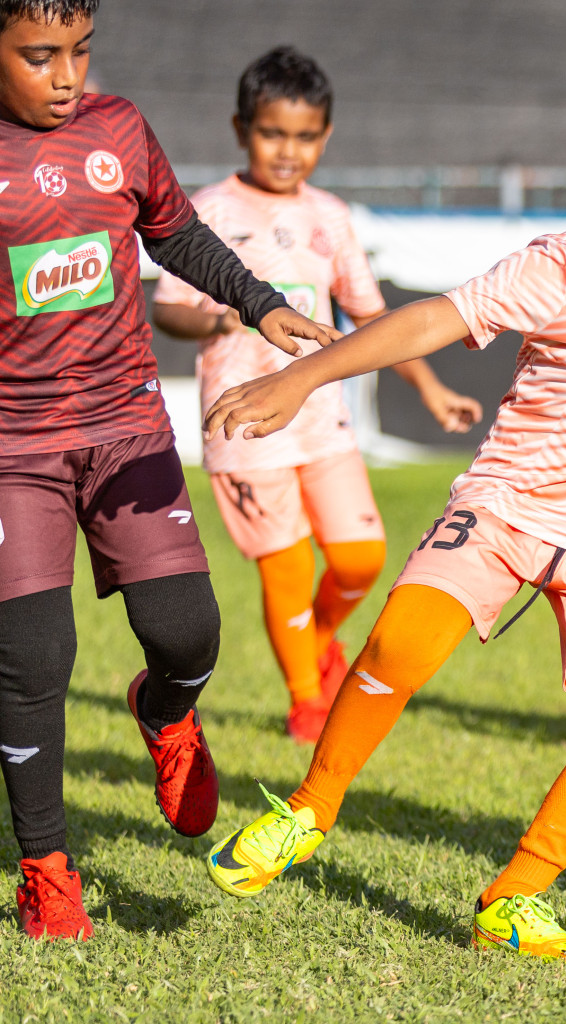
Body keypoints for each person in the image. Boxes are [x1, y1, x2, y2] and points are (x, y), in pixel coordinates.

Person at [199, 97, 566, 958]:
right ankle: (309, 809)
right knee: (403, 646)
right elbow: (430, 320)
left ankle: (514, 898)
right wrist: (305, 379)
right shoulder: (558, 267)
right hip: (504, 507)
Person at [0, 0, 338, 939]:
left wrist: (259, 304)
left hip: (124, 426)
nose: (67, 75)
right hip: (11, 449)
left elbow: (176, 232)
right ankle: (46, 870)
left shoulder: (117, 128)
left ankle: (164, 712)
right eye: (39, 56)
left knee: (188, 635)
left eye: (79, 52)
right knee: (32, 657)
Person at [153, 46, 482, 743]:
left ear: (325, 138)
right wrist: (222, 313)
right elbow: (169, 308)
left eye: (305, 137)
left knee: (361, 559)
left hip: (323, 419)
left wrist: (429, 387)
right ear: (241, 128)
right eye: (273, 133)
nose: (288, 151)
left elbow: (372, 320)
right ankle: (306, 698)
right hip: (243, 423)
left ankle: (319, 640)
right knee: (288, 565)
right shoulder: (206, 209)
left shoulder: (331, 216)